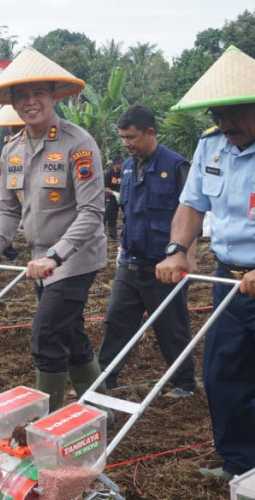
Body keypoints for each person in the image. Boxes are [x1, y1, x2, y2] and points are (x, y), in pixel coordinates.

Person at [0, 48, 109, 413]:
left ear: (52, 96)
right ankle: (100, 406)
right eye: (22, 96)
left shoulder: (77, 144)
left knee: (46, 335)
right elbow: (8, 209)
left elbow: (93, 211)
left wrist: (55, 256)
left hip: (74, 258)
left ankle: (46, 424)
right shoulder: (12, 148)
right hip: (39, 260)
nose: (31, 102)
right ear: (14, 103)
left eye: (39, 94)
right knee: (71, 334)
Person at [156, 46, 255, 482]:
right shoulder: (211, 147)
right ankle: (241, 467)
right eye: (218, 112)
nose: (226, 122)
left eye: (236, 111)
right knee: (223, 378)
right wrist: (177, 248)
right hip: (229, 284)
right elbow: (191, 206)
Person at [97, 105, 196, 398]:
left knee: (171, 327)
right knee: (115, 323)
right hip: (129, 263)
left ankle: (185, 384)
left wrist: (187, 258)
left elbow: (193, 213)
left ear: (150, 132)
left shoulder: (176, 166)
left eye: (131, 137)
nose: (126, 143)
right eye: (122, 138)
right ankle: (105, 379)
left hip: (163, 266)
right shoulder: (126, 168)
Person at [104, 154, 123, 240]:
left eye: (122, 163)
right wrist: (115, 193)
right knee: (111, 217)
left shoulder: (124, 173)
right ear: (114, 164)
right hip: (112, 197)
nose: (121, 165)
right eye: (119, 163)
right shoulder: (109, 174)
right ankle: (113, 237)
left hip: (123, 196)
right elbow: (105, 188)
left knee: (128, 214)